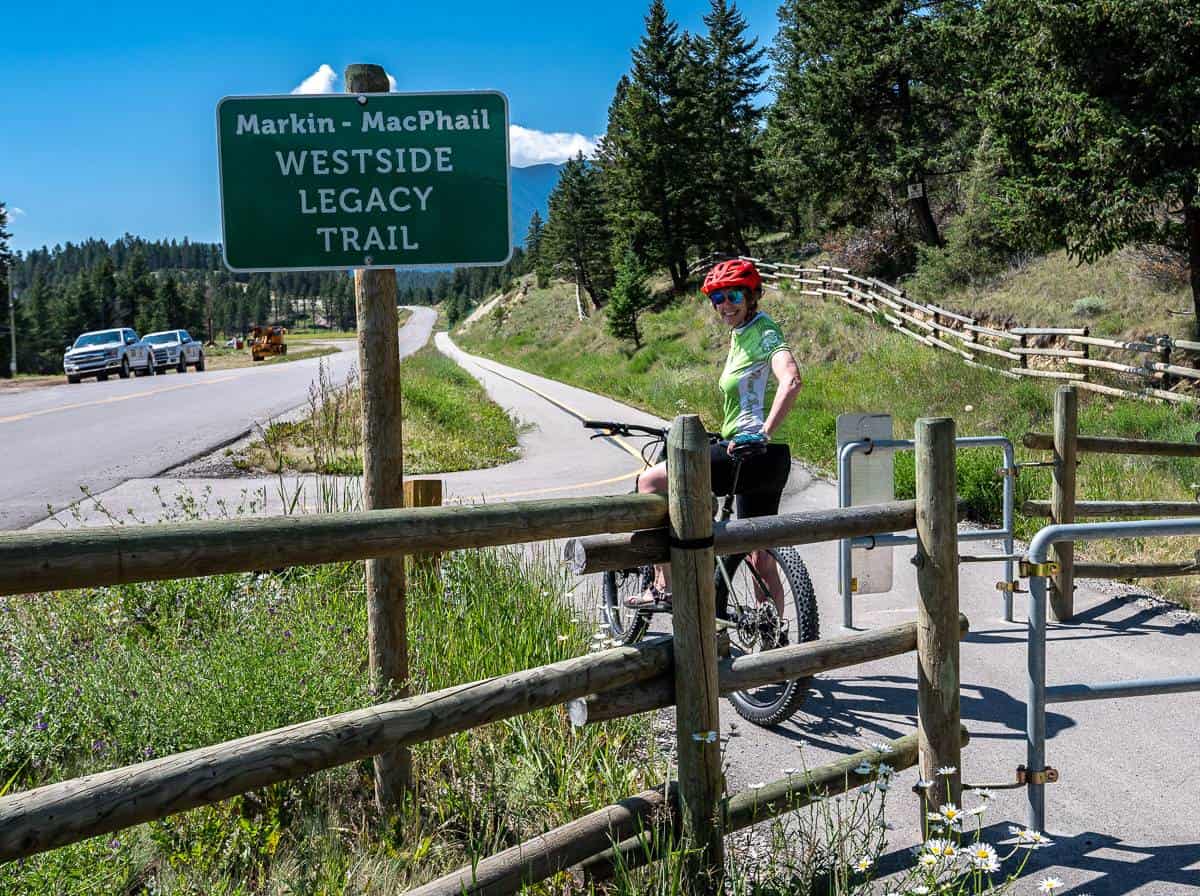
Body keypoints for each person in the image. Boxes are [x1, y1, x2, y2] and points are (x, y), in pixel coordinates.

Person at [628, 258, 803, 612]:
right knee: (759, 554)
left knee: (650, 482)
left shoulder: (764, 333)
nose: (725, 305)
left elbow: (791, 379)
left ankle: (664, 586)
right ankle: (774, 640)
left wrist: (763, 433)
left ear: (752, 295)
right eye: (717, 298)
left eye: (734, 295)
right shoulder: (742, 334)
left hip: (748, 451)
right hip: (766, 460)